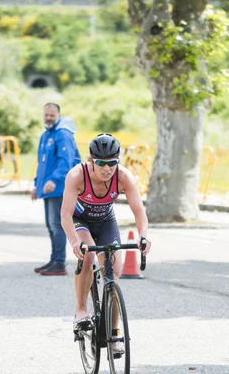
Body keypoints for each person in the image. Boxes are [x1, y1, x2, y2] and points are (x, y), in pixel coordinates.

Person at [60, 133, 151, 338]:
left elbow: (139, 211)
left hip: (105, 221)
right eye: (101, 163)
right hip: (80, 220)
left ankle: (114, 331)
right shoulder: (77, 175)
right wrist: (75, 241)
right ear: (91, 160)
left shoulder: (124, 177)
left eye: (112, 163)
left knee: (113, 276)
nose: (107, 169)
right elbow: (65, 215)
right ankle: (81, 310)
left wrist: (143, 236)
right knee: (88, 255)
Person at [32, 103, 81, 276]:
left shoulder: (63, 134)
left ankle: (60, 263)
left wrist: (54, 179)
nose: (48, 118)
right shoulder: (46, 135)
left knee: (57, 225)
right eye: (46, 115)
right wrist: (36, 185)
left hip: (60, 187)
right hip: (47, 189)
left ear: (58, 115)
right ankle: (54, 259)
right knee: (50, 225)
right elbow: (42, 163)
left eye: (52, 115)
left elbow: (65, 162)